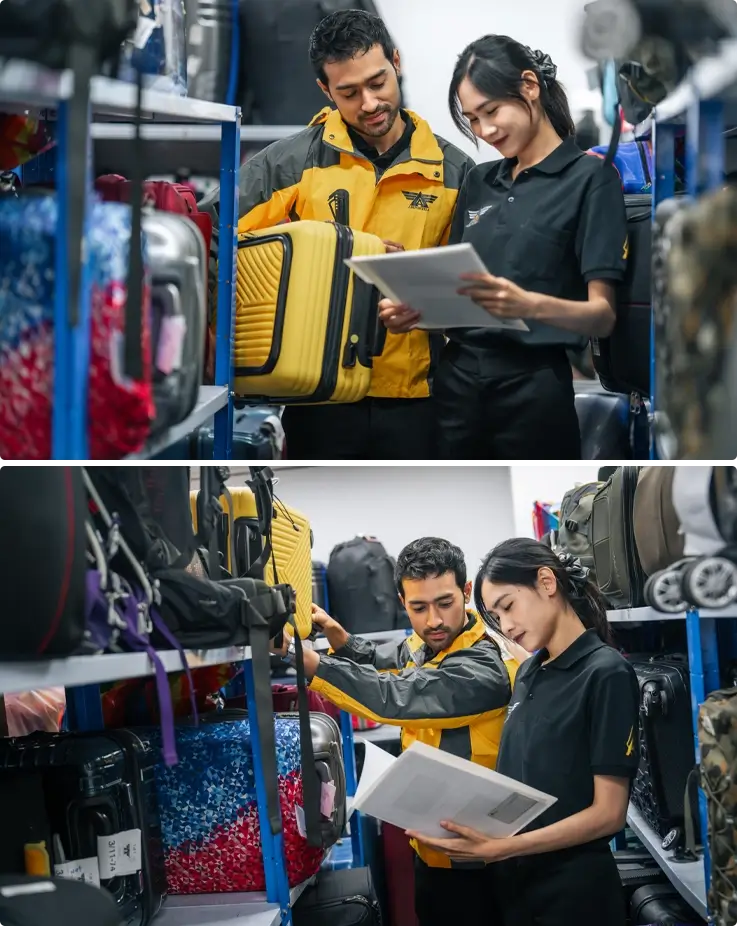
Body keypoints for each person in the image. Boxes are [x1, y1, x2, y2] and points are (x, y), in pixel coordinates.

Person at [200, 10, 474, 464]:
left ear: (396, 63)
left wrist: (429, 305)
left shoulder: (455, 171)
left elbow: (477, 290)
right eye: (348, 92)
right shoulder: (289, 164)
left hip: (418, 403)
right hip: (317, 400)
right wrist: (218, 335)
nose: (369, 103)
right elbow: (207, 230)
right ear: (325, 90)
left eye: (378, 83)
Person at [379, 36, 629, 463]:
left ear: (529, 86)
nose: (485, 131)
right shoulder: (479, 180)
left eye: (491, 111)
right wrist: (416, 310)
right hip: (455, 387)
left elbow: (602, 317)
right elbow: (462, 293)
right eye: (473, 120)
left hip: (534, 389)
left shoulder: (591, 178)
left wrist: (528, 305)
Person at [273, 537, 516, 926]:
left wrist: (306, 660)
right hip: (432, 852)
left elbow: (396, 695)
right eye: (419, 607)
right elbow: (387, 659)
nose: (433, 620)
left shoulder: (482, 669)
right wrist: (342, 639)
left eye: (445, 603)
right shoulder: (426, 643)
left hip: (481, 863)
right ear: (402, 602)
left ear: (466, 592)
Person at [406, 538, 640, 926]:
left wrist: (503, 847)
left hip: (573, 897)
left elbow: (609, 814)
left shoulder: (606, 673)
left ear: (547, 582)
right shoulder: (531, 671)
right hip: (516, 890)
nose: (507, 626)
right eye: (496, 616)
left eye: (508, 606)